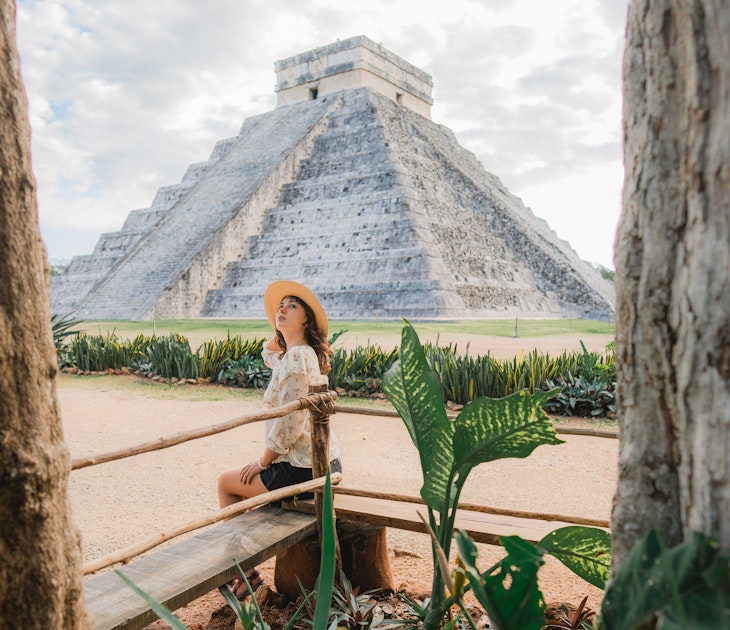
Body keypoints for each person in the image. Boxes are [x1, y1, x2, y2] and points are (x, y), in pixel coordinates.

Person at [217, 280, 342, 599]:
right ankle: (247, 567)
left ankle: (247, 576)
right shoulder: (300, 354)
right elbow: (270, 354)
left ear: (308, 320)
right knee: (238, 483)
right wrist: (283, 334)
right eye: (280, 306)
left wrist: (262, 462)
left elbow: (289, 422)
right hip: (322, 461)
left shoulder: (298, 357)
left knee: (226, 484)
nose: (282, 309)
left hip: (301, 468)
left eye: (292, 306)